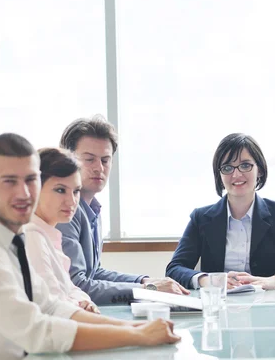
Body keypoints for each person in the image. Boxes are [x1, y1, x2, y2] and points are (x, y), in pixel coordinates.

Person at [0, 133, 180, 360]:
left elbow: (51, 306)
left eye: (31, 180)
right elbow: (37, 332)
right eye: (9, 181)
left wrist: (136, 327)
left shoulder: (12, 241)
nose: (24, 193)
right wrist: (139, 336)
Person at [166, 133, 275, 290]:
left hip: (268, 308)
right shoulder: (201, 218)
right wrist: (209, 281)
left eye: (245, 165)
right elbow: (174, 269)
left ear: (260, 170)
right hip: (217, 307)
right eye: (227, 167)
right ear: (219, 175)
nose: (236, 174)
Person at [57, 115, 187, 305]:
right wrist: (147, 289)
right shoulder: (65, 211)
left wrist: (144, 281)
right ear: (68, 159)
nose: (99, 168)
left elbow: (94, 272)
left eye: (105, 160)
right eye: (89, 159)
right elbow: (78, 285)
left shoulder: (91, 208)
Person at [24, 147, 98, 313]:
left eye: (76, 191)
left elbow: (71, 289)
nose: (72, 201)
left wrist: (84, 302)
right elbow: (53, 307)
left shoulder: (48, 235)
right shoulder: (31, 235)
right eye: (60, 190)